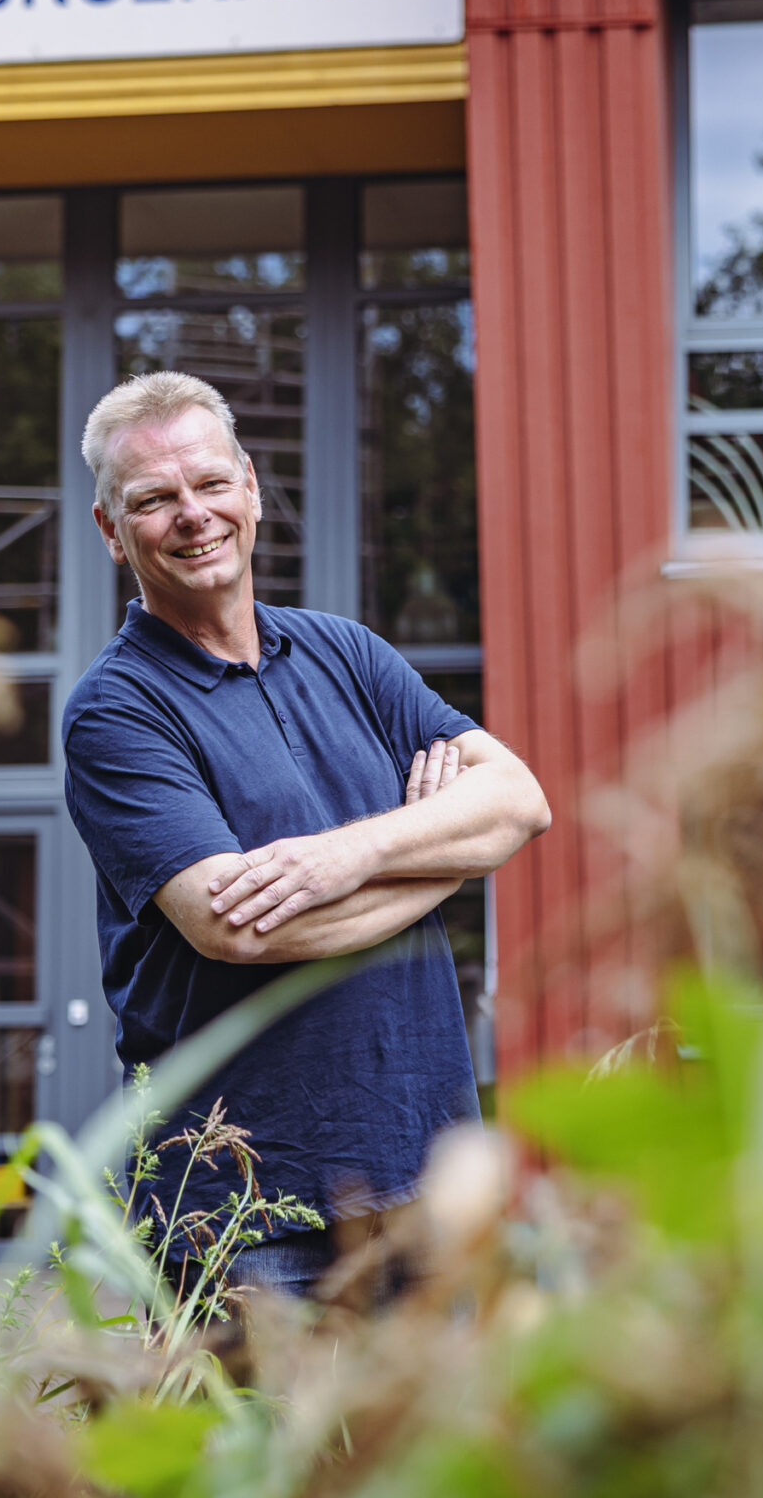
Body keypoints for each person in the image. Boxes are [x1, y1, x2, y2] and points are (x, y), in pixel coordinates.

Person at [61, 371, 550, 1301]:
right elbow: (238, 925)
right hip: (245, 1207)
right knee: (261, 1449)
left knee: (434, 1448)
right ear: (111, 532)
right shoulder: (117, 711)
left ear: (249, 485)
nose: (192, 516)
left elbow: (519, 800)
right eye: (154, 500)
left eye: (209, 484)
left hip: (423, 1179)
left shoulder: (347, 652)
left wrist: (348, 854)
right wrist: (443, 850)